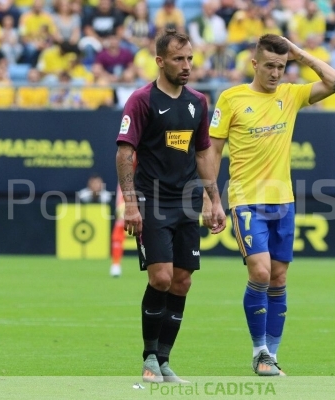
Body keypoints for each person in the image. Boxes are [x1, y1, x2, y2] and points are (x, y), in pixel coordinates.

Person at [208, 34, 335, 376]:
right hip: (246, 200)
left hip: (283, 201)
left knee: (279, 278)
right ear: (254, 63)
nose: (275, 73)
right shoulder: (231, 98)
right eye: (269, 65)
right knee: (260, 272)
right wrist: (212, 198)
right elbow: (212, 151)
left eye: (281, 67)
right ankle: (259, 351)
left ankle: (271, 356)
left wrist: (300, 54)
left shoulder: (291, 93)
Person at [115, 29, 226, 383]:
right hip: (152, 201)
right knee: (160, 277)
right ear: (160, 61)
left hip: (188, 201)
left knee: (182, 282)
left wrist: (214, 200)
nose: (187, 65)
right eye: (179, 59)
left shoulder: (197, 101)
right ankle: (148, 357)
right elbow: (124, 152)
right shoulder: (142, 100)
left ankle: (164, 360)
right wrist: (130, 204)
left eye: (190, 58)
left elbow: (204, 152)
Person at [76, 174, 124, 277]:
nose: (96, 186)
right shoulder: (82, 196)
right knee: (118, 231)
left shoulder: (107, 197)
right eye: (93, 183)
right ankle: (116, 265)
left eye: (98, 183)